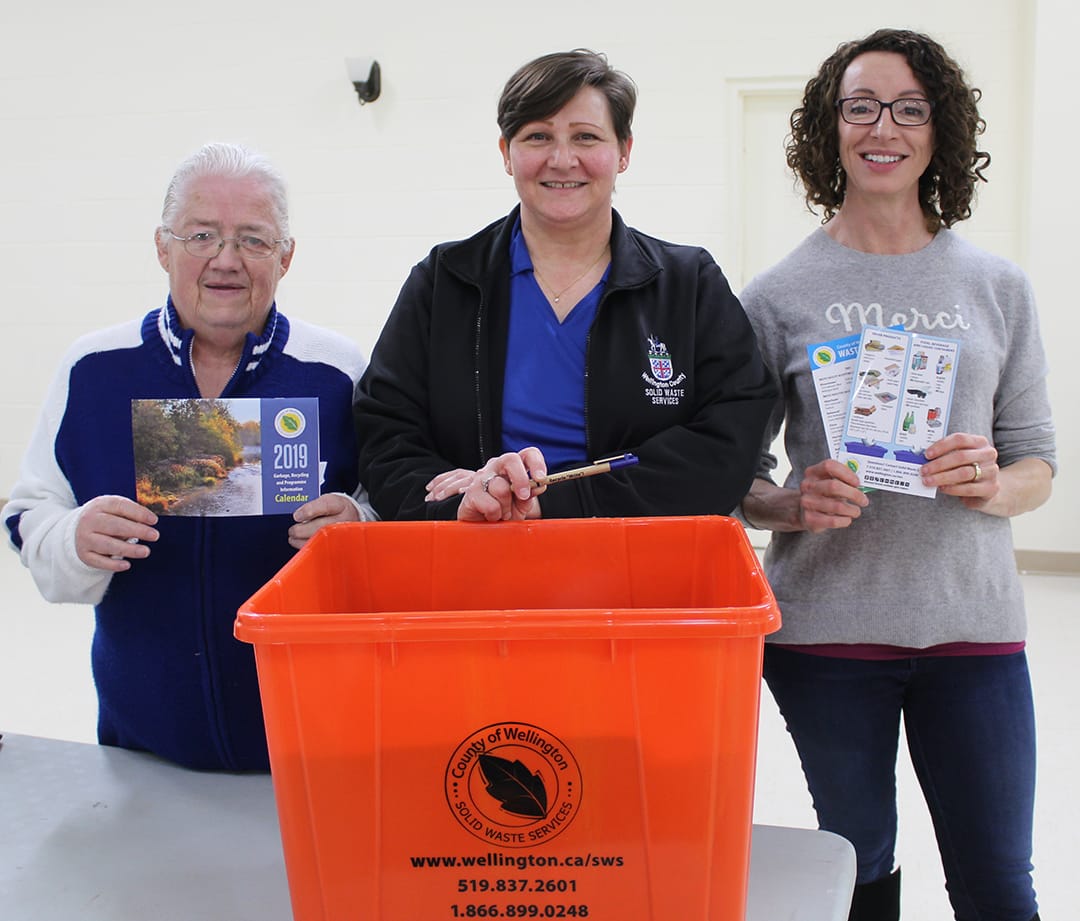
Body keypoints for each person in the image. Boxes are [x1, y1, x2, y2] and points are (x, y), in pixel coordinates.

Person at [739, 29, 1055, 921]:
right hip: (826, 638)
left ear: (938, 129)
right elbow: (739, 477)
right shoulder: (776, 295)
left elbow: (1038, 460)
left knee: (998, 880)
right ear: (828, 129)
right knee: (862, 869)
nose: (886, 127)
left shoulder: (997, 286)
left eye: (910, 107)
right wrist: (789, 503)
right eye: (861, 106)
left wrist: (992, 483)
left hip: (973, 629)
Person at [4, 142, 376, 772]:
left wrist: (357, 528)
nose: (225, 260)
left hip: (307, 746)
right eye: (201, 235)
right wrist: (72, 539)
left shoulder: (339, 372)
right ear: (162, 248)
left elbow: (390, 512)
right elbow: (29, 510)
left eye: (253, 240)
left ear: (286, 257)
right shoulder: (94, 368)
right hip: (143, 745)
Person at [354, 49, 775, 522]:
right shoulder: (445, 281)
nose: (562, 159)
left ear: (624, 153)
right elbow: (384, 431)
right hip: (477, 562)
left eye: (585, 137)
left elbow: (729, 439)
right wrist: (469, 504)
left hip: (643, 571)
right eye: (538, 136)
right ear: (506, 154)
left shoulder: (688, 284)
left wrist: (551, 502)